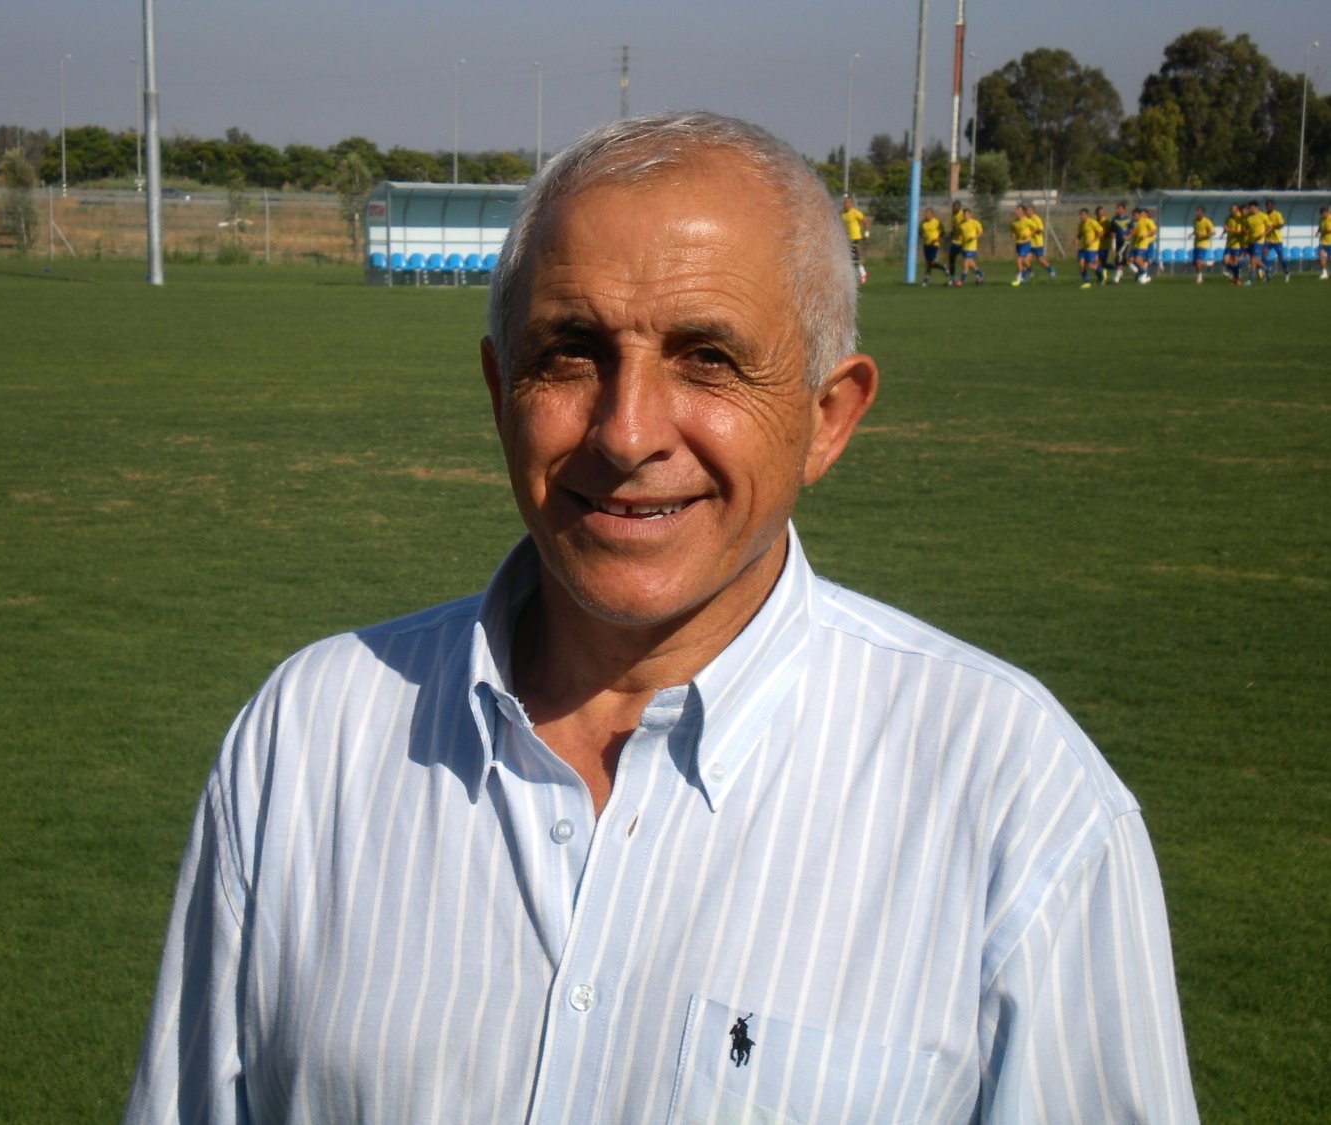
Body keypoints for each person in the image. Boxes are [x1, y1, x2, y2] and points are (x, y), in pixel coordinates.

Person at [122, 111, 1198, 1124]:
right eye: (571, 351)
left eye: (709, 359)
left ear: (829, 419)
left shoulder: (1016, 798)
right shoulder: (307, 739)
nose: (627, 431)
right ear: (500, 391)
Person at [1023, 203, 1058, 279]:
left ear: (1032, 211)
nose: (1026, 211)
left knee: (1040, 260)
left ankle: (1051, 270)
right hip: (1029, 243)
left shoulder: (1036, 219)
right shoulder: (1026, 219)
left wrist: (1032, 232)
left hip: (1037, 243)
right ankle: (1025, 276)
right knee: (1025, 260)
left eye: (1027, 210)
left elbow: (1041, 230)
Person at [841, 194, 870, 284]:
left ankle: (863, 274)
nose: (846, 204)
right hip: (847, 239)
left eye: (848, 203)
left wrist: (866, 234)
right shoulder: (843, 215)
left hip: (856, 238)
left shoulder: (855, 213)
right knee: (849, 259)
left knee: (856, 257)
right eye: (845, 203)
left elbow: (864, 222)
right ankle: (855, 276)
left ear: (851, 204)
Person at [1261, 198, 1290, 282]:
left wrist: (1272, 226)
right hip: (1268, 239)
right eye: (1267, 206)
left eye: (1269, 206)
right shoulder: (1265, 215)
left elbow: (1281, 225)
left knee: (1281, 258)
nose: (1268, 207)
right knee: (1263, 255)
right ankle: (1267, 273)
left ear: (1273, 206)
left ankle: (1286, 272)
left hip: (1277, 240)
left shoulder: (1277, 214)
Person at [956, 205, 985, 286]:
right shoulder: (961, 224)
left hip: (972, 246)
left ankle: (961, 281)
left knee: (965, 263)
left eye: (967, 214)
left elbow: (980, 232)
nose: (965, 216)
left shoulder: (975, 223)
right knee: (971, 264)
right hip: (964, 246)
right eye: (964, 215)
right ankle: (980, 274)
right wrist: (960, 238)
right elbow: (960, 234)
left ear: (970, 214)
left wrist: (975, 237)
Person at [1076, 206, 1104, 288]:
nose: (1080, 216)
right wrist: (1076, 239)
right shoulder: (1081, 224)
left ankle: (1101, 270)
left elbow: (1101, 232)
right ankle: (1086, 281)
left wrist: (1092, 240)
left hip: (1092, 247)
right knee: (1081, 264)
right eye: (1080, 215)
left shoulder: (1092, 222)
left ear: (1086, 215)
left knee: (1088, 265)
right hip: (1083, 247)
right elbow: (1080, 234)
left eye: (1082, 215)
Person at [919, 206, 948, 286]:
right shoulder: (922, 223)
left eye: (928, 214)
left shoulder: (937, 222)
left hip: (934, 244)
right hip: (926, 244)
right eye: (925, 214)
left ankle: (926, 280)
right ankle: (943, 267)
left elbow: (943, 231)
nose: (926, 215)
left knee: (929, 262)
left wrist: (938, 238)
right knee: (929, 263)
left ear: (932, 214)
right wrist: (923, 236)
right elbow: (920, 232)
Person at [1129, 206, 1158, 284]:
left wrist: (1146, 235)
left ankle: (1145, 274)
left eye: (1135, 215)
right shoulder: (1137, 223)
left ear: (1139, 215)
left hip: (1144, 244)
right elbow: (1135, 234)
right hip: (1137, 244)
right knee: (1134, 261)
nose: (1134, 217)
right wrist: (1128, 237)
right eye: (1133, 216)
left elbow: (1154, 230)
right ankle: (1143, 274)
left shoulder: (1147, 220)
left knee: (1139, 260)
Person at [1242, 200, 1269, 283]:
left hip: (1259, 241)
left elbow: (1270, 226)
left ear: (1257, 207)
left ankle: (1251, 279)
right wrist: (1245, 231)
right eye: (1249, 208)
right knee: (1252, 260)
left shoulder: (1263, 216)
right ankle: (1267, 269)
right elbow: (1246, 228)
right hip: (1250, 240)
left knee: (1253, 259)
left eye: (1252, 207)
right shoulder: (1248, 217)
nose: (1250, 209)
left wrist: (1263, 234)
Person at [1221, 203, 1247, 286]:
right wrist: (1224, 232)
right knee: (1225, 261)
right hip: (1229, 243)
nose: (1232, 210)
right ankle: (1236, 273)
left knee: (1235, 263)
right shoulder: (1228, 218)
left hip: (1236, 244)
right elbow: (1227, 228)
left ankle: (1237, 280)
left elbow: (1239, 232)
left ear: (1237, 209)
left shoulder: (1239, 218)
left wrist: (1229, 230)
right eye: (1231, 209)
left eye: (1233, 209)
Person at [1008, 203, 1033, 286]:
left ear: (1022, 212)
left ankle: (1019, 279)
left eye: (1018, 210)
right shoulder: (1014, 222)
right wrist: (1012, 234)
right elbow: (1012, 230)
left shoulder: (1027, 220)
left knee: (1019, 260)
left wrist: (1029, 234)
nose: (1016, 211)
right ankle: (1030, 271)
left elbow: (1035, 228)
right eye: (1016, 209)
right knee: (1024, 261)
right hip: (1018, 243)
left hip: (1025, 243)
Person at [1191, 206, 1216, 285]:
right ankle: (1207, 263)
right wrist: (1192, 234)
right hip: (1196, 244)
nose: (1196, 213)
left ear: (1202, 213)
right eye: (1196, 211)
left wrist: (1204, 236)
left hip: (1203, 245)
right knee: (1195, 263)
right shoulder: (1194, 221)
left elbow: (1213, 232)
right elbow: (1196, 231)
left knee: (1198, 261)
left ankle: (1199, 278)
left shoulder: (1207, 221)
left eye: (1198, 211)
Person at [1110, 201, 1132, 283]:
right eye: (1117, 208)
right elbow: (1113, 233)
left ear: (1123, 210)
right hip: (1118, 242)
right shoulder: (1114, 219)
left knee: (1119, 257)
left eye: (1119, 208)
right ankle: (1139, 272)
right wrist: (1113, 246)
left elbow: (1133, 231)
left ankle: (1116, 279)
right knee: (1123, 260)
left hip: (1125, 243)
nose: (1117, 210)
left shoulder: (1128, 219)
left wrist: (1128, 237)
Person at [1319, 205, 1331, 279]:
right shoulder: (1321, 220)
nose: (1322, 215)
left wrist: (1326, 230)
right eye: (1321, 214)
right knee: (1321, 255)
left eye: (1323, 214)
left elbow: (1328, 230)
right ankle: (1324, 272)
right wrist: (1318, 231)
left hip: (1330, 242)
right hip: (1322, 241)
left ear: (1326, 212)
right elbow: (1320, 227)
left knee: (1330, 258)